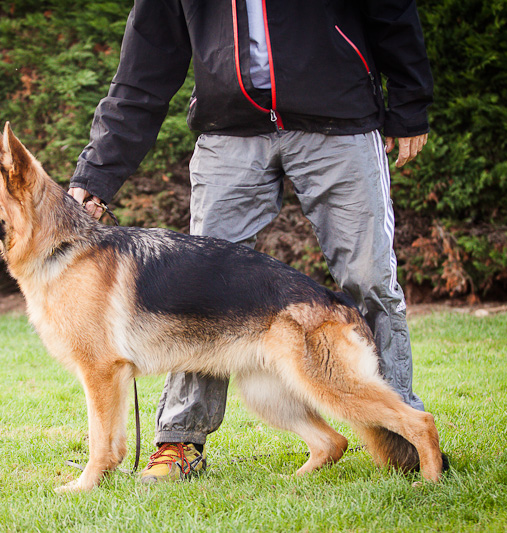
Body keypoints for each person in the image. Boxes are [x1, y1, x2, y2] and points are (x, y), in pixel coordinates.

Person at [68, 0, 433, 484]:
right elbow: (144, 68)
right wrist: (97, 174)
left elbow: (390, 9)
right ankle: (180, 441)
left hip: (338, 117)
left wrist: (409, 103)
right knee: (192, 287)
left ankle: (402, 434)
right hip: (229, 131)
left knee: (370, 279)